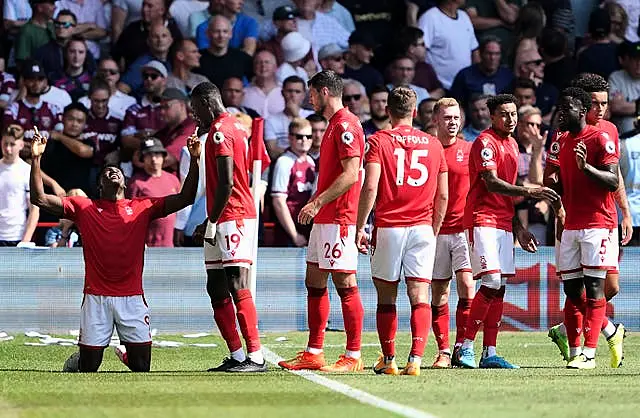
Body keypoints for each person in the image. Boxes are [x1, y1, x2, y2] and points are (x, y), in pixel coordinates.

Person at [30, 124, 200, 373]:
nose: (113, 173)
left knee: (142, 368)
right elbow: (40, 199)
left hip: (132, 297)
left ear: (124, 181)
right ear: (100, 185)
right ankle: (80, 357)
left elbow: (186, 197)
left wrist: (194, 160)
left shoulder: (143, 206)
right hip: (96, 296)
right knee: (89, 368)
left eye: (117, 171)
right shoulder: (84, 207)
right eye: (107, 172)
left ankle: (124, 351)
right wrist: (36, 158)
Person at [454, 94, 559, 369]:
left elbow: (506, 197)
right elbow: (491, 183)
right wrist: (529, 190)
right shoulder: (484, 143)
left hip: (503, 222)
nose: (510, 119)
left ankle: (489, 352)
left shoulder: (512, 144)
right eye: (504, 114)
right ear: (492, 116)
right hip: (481, 219)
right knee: (490, 282)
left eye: (514, 114)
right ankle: (464, 347)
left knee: (499, 288)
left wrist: (520, 229)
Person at [356, 86, 448, 376]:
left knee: (387, 296)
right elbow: (443, 195)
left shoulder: (378, 141)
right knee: (420, 293)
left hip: (390, 227)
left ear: (387, 111)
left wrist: (360, 225)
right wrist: (433, 229)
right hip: (422, 227)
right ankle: (416, 359)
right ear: (416, 111)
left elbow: (371, 186)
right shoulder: (434, 144)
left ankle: (389, 358)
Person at [278, 70, 365, 372]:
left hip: (338, 217)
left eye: (312, 93)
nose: (309, 98)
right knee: (314, 281)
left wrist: (316, 202)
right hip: (326, 218)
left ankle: (353, 356)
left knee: (345, 282)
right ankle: (314, 351)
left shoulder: (346, 125)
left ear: (324, 91)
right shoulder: (331, 125)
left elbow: (352, 174)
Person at [547, 73, 629, 368]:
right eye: (596, 102)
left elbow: (612, 178)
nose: (601, 108)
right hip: (570, 223)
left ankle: (588, 352)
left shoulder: (604, 135)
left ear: (579, 109)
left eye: (565, 110)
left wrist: (625, 213)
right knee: (572, 290)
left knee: (601, 288)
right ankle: (608, 329)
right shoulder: (562, 139)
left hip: (599, 222)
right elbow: (555, 180)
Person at [190, 81, 266, 373]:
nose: (195, 116)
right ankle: (236, 354)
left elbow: (228, 182)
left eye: (196, 110)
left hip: (232, 215)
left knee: (236, 282)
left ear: (208, 104)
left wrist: (211, 220)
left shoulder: (222, 132)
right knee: (216, 286)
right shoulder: (230, 128)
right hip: (220, 215)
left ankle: (255, 356)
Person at [429, 98, 474, 369]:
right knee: (440, 293)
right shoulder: (428, 149)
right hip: (435, 231)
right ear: (436, 120)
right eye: (447, 118)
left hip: (464, 230)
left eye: (456, 117)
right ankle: (443, 350)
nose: (453, 122)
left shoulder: (469, 150)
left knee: (468, 286)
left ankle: (462, 347)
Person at [127, 137, 182, 247]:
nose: (153, 159)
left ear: (163, 157)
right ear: (143, 159)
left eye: (157, 154)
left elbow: (180, 210)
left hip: (169, 244)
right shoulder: (136, 183)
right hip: (146, 245)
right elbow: (129, 216)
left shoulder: (173, 180)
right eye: (149, 155)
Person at [270, 117, 316, 247]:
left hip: (307, 230)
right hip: (289, 234)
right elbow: (278, 202)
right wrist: (294, 234)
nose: (305, 140)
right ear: (290, 138)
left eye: (308, 136)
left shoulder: (311, 162)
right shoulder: (284, 162)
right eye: (299, 137)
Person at [417, 0, 479, 90]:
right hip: (439, 88)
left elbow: (474, 50)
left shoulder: (464, 16)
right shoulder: (429, 17)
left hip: (464, 87)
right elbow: (419, 53)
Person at [0, 125, 39, 246]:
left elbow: (34, 209)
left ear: (21, 145)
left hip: (17, 236)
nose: (8, 149)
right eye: (5, 144)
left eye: (12, 144)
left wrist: (25, 240)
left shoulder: (27, 171)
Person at [449, 36, 514, 109]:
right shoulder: (465, 75)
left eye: (497, 54)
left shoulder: (508, 76)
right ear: (481, 54)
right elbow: (455, 104)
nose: (492, 58)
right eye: (488, 53)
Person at [195, 15, 253, 90]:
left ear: (231, 34)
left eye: (225, 31)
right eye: (216, 31)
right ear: (208, 33)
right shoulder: (197, 59)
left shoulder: (242, 58)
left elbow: (255, 83)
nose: (221, 36)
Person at [264, 75, 313, 159]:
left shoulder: (312, 116)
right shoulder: (271, 120)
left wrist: (296, 116)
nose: (293, 95)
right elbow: (272, 151)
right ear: (282, 93)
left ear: (304, 95)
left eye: (297, 92)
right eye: (289, 91)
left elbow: (314, 148)